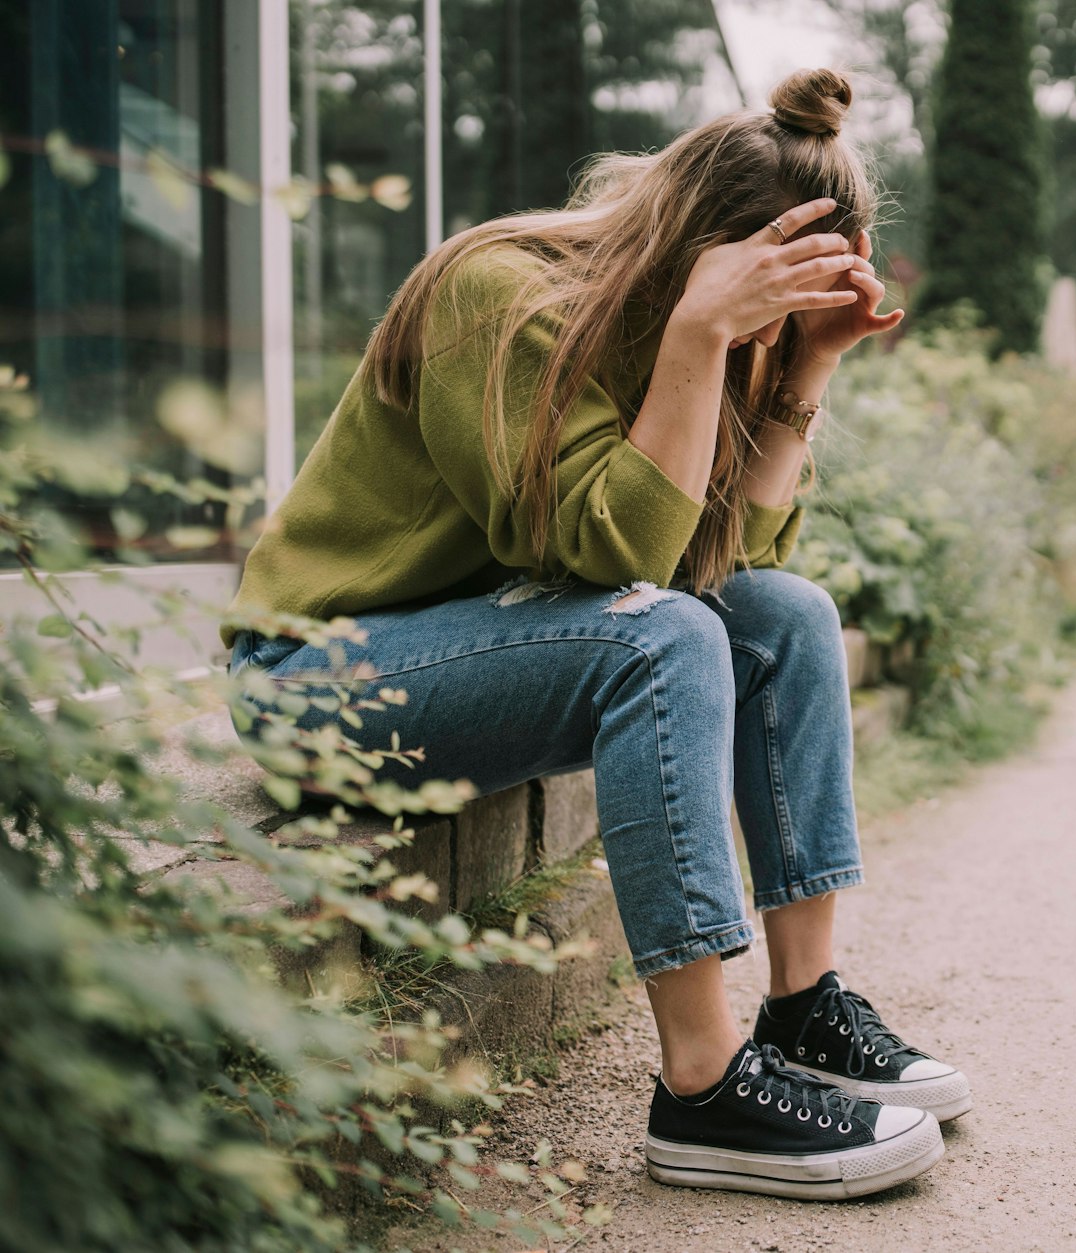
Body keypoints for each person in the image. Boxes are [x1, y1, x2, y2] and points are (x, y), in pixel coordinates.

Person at [221, 68, 965, 1200]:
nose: (767, 322)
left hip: (497, 645)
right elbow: (619, 565)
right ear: (693, 248)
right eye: (765, 296)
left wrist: (802, 363)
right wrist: (699, 332)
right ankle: (705, 1088)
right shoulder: (497, 294)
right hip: (324, 674)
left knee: (787, 615)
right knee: (656, 635)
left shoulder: (719, 330)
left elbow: (735, 566)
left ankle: (806, 1005)